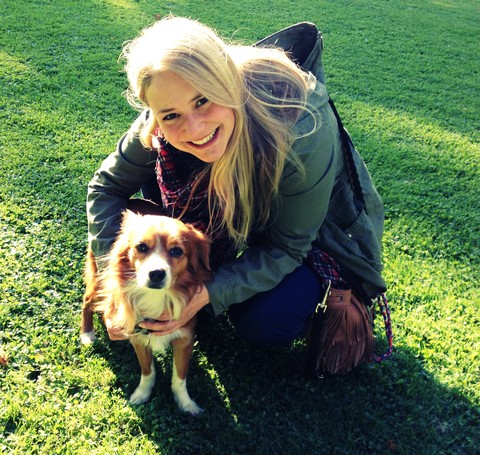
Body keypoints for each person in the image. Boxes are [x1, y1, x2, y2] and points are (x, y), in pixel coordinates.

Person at [87, 16, 386, 347]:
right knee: (139, 215)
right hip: (221, 214)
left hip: (304, 237)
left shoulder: (302, 129)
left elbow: (286, 246)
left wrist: (209, 293)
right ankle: (205, 262)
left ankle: (310, 303)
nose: (196, 129)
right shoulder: (159, 116)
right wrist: (113, 281)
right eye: (170, 115)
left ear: (227, 81)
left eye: (203, 100)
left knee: (263, 320)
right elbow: (106, 188)